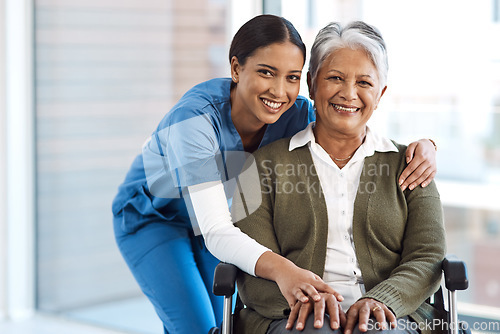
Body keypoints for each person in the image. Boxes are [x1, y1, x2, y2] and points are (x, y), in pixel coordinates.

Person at [111, 15, 438, 333]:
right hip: (156, 219)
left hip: (224, 220)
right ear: (237, 69)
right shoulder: (194, 122)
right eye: (267, 73)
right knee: (197, 327)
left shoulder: (294, 112)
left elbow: (346, 120)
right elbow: (215, 230)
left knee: (217, 324)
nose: (280, 91)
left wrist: (427, 145)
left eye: (292, 77)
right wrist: (285, 270)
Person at [231, 21, 445, 334]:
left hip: (391, 318)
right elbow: (252, 259)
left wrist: (382, 300)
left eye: (364, 83)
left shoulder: (411, 165)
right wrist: (308, 301)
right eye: (335, 78)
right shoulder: (260, 167)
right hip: (292, 317)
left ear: (381, 92)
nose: (348, 94)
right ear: (311, 85)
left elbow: (427, 256)